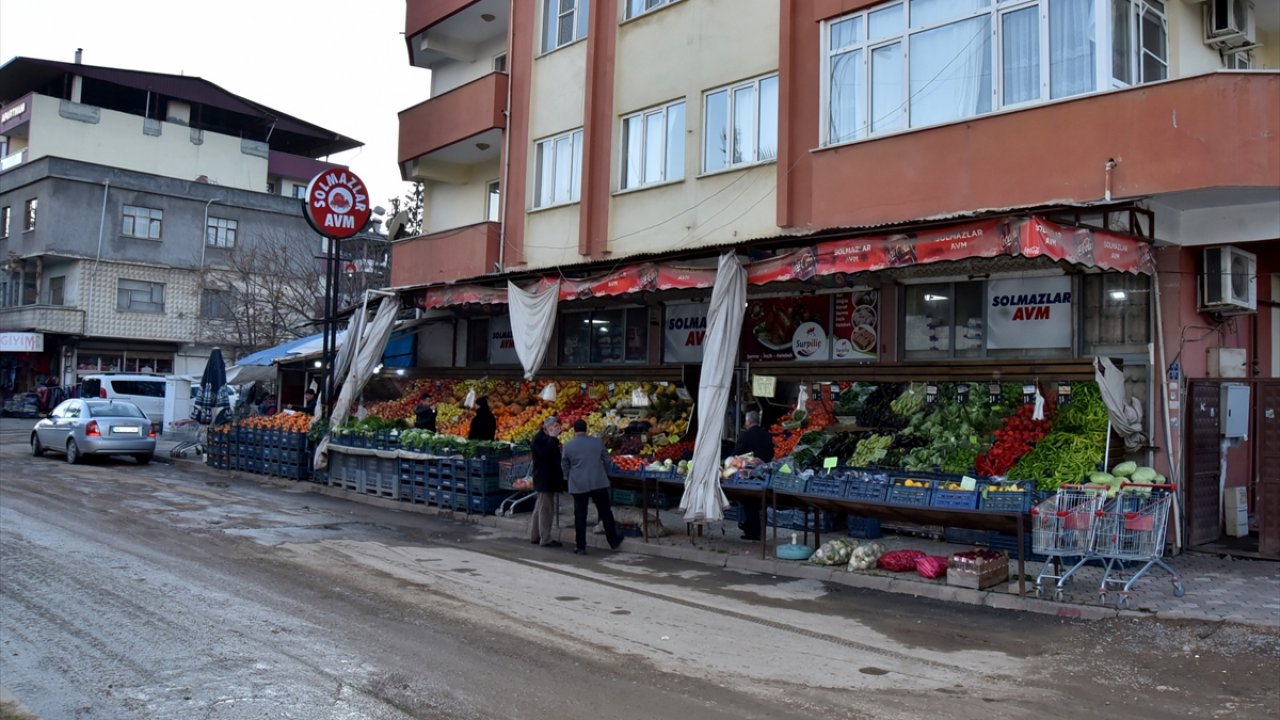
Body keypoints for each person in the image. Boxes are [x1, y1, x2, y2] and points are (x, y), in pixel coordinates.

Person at [560, 419, 623, 555]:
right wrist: (605, 473)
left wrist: (569, 476)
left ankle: (581, 546)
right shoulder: (597, 442)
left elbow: (564, 464)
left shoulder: (568, 446)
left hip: (578, 484)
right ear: (586, 429)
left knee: (580, 515)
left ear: (574, 430)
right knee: (605, 512)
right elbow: (607, 459)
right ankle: (613, 541)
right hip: (598, 481)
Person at [732, 410, 775, 542]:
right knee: (760, 503)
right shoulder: (766, 435)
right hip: (764, 474)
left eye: (745, 421)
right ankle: (758, 531)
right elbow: (771, 453)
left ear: (748, 421)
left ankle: (751, 530)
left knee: (748, 501)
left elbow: (736, 453)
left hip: (748, 474)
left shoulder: (745, 435)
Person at [529, 415, 565, 548]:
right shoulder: (539, 440)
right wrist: (553, 438)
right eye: (554, 427)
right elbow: (546, 454)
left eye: (557, 427)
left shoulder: (545, 439)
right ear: (547, 427)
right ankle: (545, 538)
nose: (556, 429)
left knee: (540, 507)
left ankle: (535, 535)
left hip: (546, 478)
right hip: (545, 479)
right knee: (546, 509)